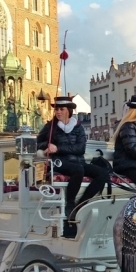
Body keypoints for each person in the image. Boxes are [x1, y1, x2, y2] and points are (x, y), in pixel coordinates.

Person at [37, 96, 109, 238]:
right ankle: (70, 203)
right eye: (56, 109)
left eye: (61, 109)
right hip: (60, 163)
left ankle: (82, 203)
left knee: (103, 173)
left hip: (78, 161)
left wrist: (58, 148)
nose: (58, 112)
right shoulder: (50, 127)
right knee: (78, 170)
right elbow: (38, 142)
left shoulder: (78, 127)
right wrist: (46, 146)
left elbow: (80, 148)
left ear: (68, 111)